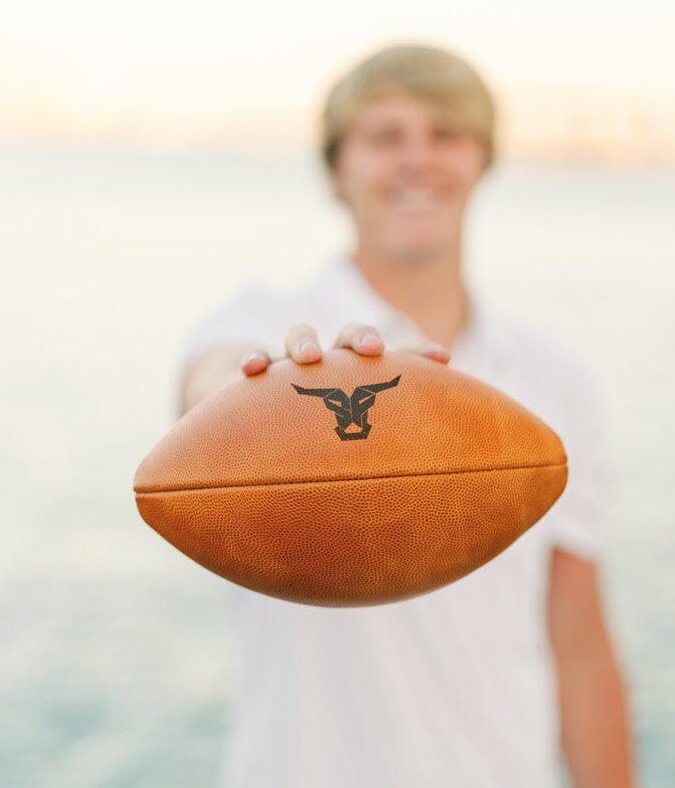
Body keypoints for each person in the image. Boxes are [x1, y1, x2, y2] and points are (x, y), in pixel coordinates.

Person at [179, 44, 634, 788]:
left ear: (483, 161)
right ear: (337, 169)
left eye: (446, 134)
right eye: (385, 137)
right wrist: (261, 395)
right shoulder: (270, 327)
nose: (417, 159)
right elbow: (209, 384)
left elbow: (579, 641)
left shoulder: (557, 381)